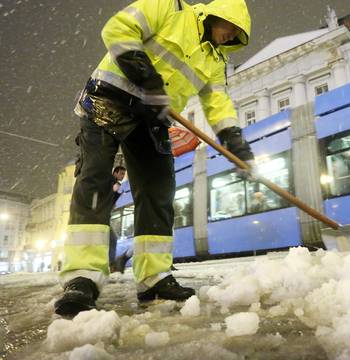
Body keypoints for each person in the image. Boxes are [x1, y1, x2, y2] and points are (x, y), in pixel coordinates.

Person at [55, 0, 254, 317]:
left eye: (237, 36)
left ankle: (154, 277)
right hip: (110, 99)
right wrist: (148, 79)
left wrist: (234, 140)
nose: (230, 37)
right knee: (95, 181)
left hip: (153, 116)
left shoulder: (215, 61)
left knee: (159, 191)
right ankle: (83, 278)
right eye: (231, 28)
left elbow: (218, 102)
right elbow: (117, 29)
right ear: (218, 16)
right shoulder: (170, 7)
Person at [108, 166, 126, 273]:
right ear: (115, 173)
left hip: (104, 215)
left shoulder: (114, 183)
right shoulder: (113, 182)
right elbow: (108, 195)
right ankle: (112, 264)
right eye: (121, 174)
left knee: (111, 239)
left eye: (124, 174)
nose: (123, 176)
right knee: (113, 239)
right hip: (104, 216)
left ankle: (111, 264)